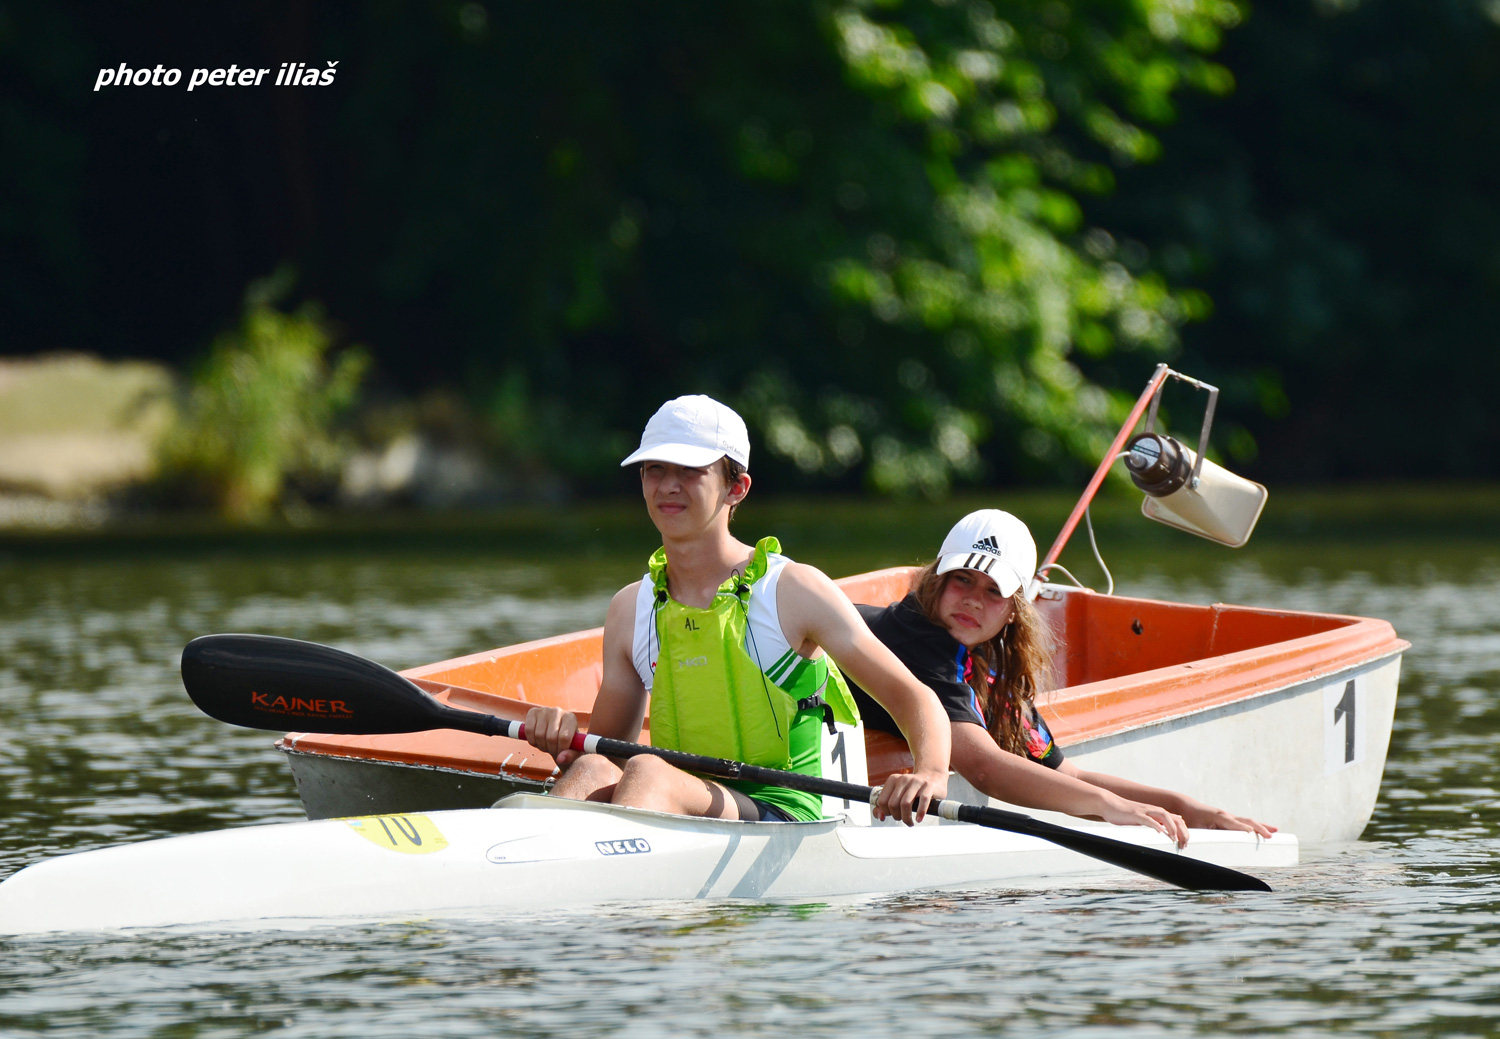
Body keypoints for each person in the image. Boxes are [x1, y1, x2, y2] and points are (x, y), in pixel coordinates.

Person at [523, 394, 951, 825]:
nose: (668, 486)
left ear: (736, 487)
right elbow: (609, 753)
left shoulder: (792, 590)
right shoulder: (630, 608)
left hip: (791, 810)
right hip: (678, 796)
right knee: (591, 768)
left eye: (690, 471)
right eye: (655, 469)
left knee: (648, 771)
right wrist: (561, 740)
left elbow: (914, 697)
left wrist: (930, 773)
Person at [850, 508, 1276, 847]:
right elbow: (983, 768)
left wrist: (1189, 809)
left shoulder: (986, 665)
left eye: (994, 590)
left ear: (1015, 608)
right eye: (962, 580)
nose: (973, 601)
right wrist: (1111, 808)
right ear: (937, 579)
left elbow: (1067, 777)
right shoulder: (918, 634)